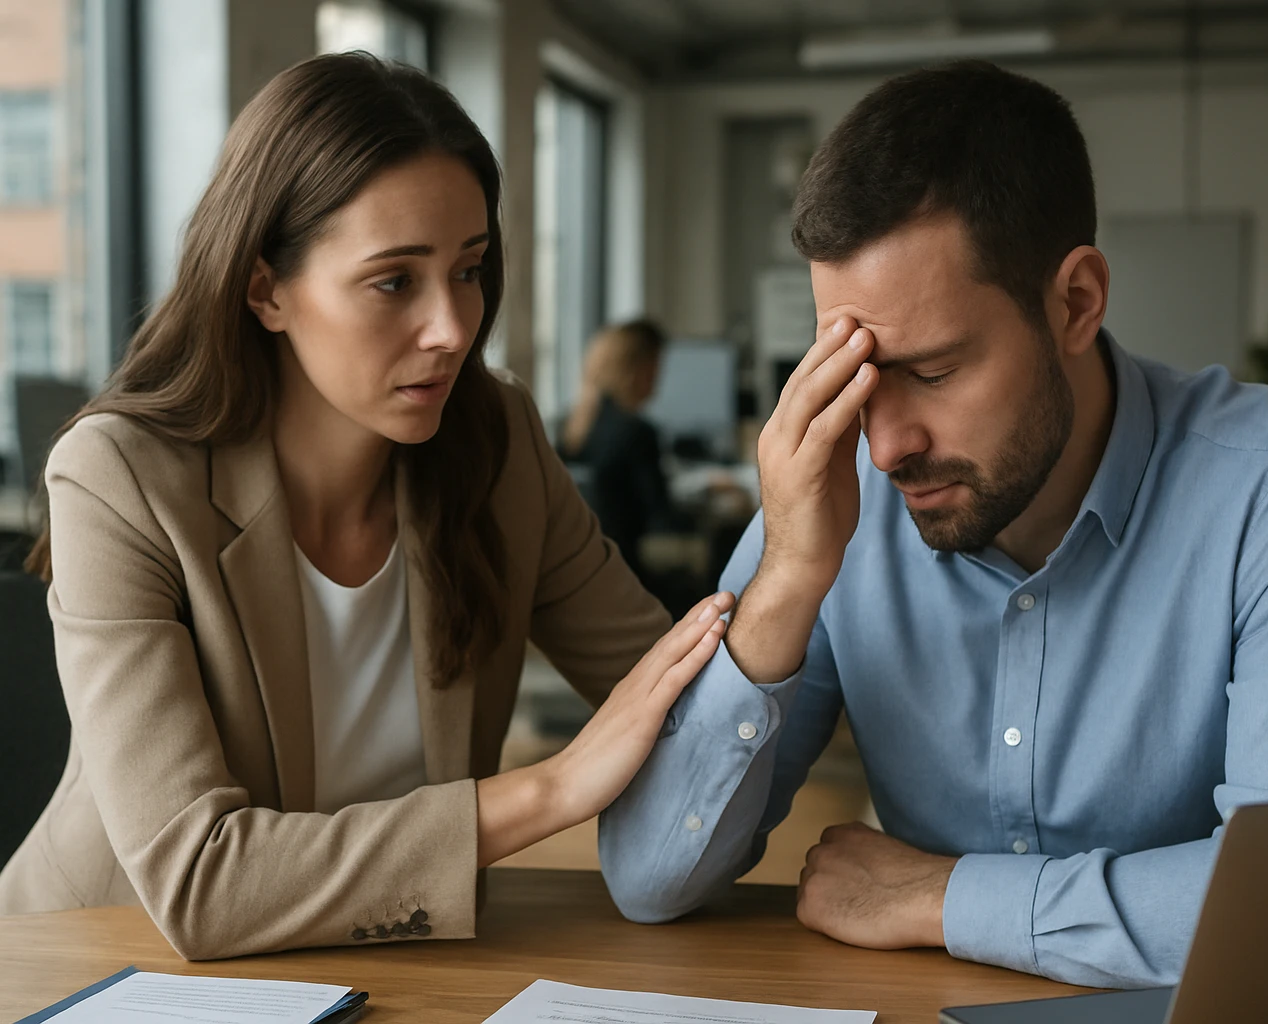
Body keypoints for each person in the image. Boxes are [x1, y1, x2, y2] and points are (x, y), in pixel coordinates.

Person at [599, 60, 1268, 989]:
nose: (884, 445)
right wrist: (787, 576)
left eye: (937, 370)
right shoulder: (836, 501)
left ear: (1075, 302)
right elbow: (649, 880)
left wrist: (941, 898)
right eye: (856, 377)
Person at [0, 53, 733, 960]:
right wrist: (552, 789)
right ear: (266, 289)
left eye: (468, 270)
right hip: (101, 963)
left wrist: (797, 554)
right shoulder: (119, 478)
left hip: (390, 965)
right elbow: (201, 882)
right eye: (395, 281)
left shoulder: (496, 440)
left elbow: (685, 701)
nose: (453, 328)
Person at [558, 320, 679, 573]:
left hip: (581, 571)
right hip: (629, 570)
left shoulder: (570, 426)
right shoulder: (636, 433)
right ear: (641, 369)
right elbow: (661, 518)